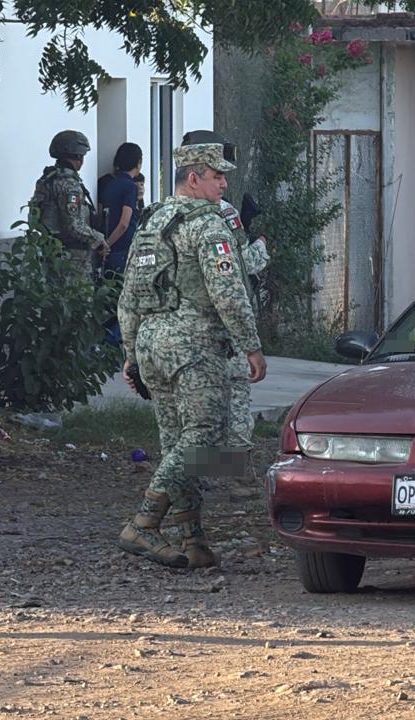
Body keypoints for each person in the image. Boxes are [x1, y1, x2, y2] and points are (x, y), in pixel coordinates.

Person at [116, 140, 267, 570]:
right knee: (203, 434)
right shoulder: (209, 226)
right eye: (217, 175)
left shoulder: (152, 222)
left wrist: (131, 354)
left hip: (152, 343)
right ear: (194, 178)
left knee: (176, 442)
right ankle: (143, 523)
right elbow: (229, 294)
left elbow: (128, 297)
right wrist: (251, 346)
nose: (224, 183)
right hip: (194, 346)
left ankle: (193, 540)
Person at [180, 130, 271, 452]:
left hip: (181, 332)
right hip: (222, 328)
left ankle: (193, 475)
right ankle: (233, 475)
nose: (223, 182)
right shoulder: (222, 213)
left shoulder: (165, 215)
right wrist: (261, 246)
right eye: (218, 173)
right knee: (234, 401)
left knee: (194, 412)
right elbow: (243, 265)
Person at [30, 130, 106, 275]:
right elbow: (74, 226)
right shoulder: (69, 185)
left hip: (52, 252)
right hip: (72, 258)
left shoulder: (48, 179)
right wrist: (99, 239)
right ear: (77, 155)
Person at [100, 143, 144, 346]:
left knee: (111, 298)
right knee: (127, 299)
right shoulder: (128, 186)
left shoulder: (111, 184)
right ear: (138, 163)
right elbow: (125, 221)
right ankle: (111, 342)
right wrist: (107, 243)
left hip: (111, 250)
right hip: (122, 249)